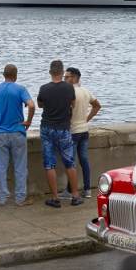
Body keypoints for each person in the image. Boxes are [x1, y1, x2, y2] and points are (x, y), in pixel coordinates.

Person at [0, 64, 35, 206]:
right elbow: (32, 105)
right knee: (20, 167)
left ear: (3, 75)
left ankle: (2, 198)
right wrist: (28, 121)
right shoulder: (20, 89)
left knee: (1, 167)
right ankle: (20, 198)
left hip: (1, 133)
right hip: (17, 132)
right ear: (15, 76)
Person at [37, 59, 81, 208]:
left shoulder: (44, 88)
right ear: (62, 73)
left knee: (49, 164)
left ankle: (55, 198)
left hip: (47, 128)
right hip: (64, 128)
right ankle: (75, 196)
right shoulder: (69, 88)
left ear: (50, 72)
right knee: (69, 162)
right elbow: (73, 104)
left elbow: (40, 105)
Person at [64, 66, 101, 198]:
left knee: (70, 162)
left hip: (73, 131)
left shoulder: (69, 92)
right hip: (84, 130)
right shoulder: (85, 91)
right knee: (84, 160)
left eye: (67, 77)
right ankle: (87, 189)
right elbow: (97, 106)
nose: (64, 79)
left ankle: (70, 190)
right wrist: (86, 119)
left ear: (74, 78)